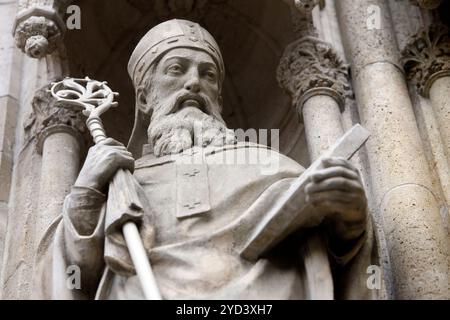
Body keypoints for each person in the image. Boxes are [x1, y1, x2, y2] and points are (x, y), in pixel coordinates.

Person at [34, 19, 378, 300]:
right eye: (176, 70)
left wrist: (348, 220)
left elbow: (330, 258)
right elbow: (69, 279)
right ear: (144, 98)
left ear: (218, 95)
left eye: (207, 75)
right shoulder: (121, 181)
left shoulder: (268, 164)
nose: (193, 83)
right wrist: (85, 195)